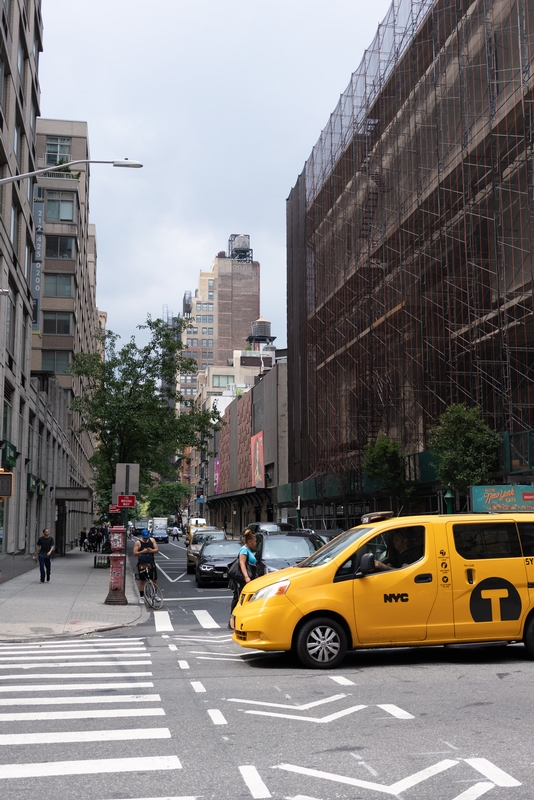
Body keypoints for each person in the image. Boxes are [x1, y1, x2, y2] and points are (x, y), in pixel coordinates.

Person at [229, 530, 257, 627]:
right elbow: (242, 563)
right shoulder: (244, 550)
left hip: (244, 579)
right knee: (239, 599)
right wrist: (246, 577)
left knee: (240, 598)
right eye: (254, 541)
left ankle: (235, 621)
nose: (255, 543)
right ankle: (233, 621)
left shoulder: (247, 550)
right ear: (249, 541)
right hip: (241, 579)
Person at [133, 528, 160, 604]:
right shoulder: (138, 543)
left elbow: (157, 549)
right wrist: (142, 551)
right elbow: (135, 553)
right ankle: (141, 597)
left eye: (147, 537)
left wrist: (151, 550)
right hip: (142, 564)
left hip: (151, 563)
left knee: (154, 579)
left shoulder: (152, 540)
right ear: (142, 536)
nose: (145, 539)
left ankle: (155, 594)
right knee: (142, 580)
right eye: (144, 538)